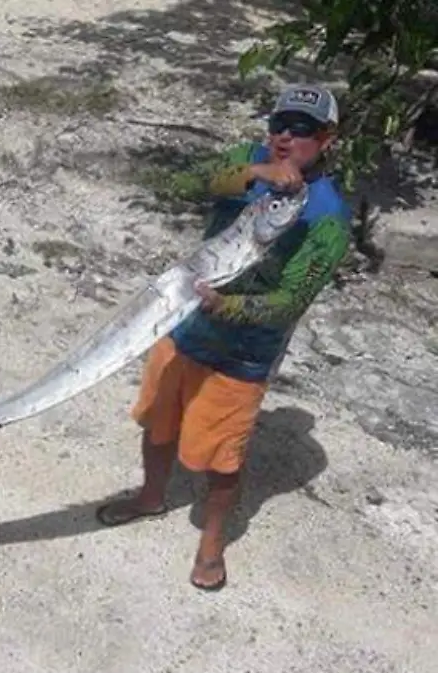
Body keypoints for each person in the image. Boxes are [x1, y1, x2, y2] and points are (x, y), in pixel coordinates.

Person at [93, 84, 352, 591]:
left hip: (241, 357)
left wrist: (227, 305)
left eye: (301, 129)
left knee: (219, 460)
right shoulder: (248, 158)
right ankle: (150, 496)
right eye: (278, 124)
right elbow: (189, 182)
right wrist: (255, 173)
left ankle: (211, 546)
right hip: (181, 327)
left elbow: (289, 302)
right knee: (158, 422)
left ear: (327, 138)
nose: (285, 137)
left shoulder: (329, 217)